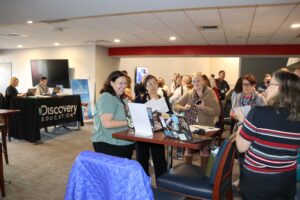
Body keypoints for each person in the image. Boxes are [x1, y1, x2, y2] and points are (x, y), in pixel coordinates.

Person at [236, 71, 300, 200]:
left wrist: (241, 122)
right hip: (287, 179)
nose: (267, 87)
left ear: (280, 88)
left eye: (271, 84)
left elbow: (241, 147)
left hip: (258, 180)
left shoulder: (259, 113)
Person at [173, 72, 220, 166]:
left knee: (205, 150)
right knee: (188, 149)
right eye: (194, 81)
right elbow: (174, 106)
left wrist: (203, 108)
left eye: (198, 80)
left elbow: (217, 111)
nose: (196, 83)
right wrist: (183, 108)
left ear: (203, 81)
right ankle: (187, 170)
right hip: (191, 127)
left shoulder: (210, 93)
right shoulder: (189, 93)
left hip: (205, 128)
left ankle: (204, 175)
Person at [134, 74, 170, 179]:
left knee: (159, 159)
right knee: (141, 159)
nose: (153, 85)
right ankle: (143, 184)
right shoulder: (139, 99)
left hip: (158, 133)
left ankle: (162, 183)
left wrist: (161, 117)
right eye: (150, 83)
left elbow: (169, 115)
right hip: (143, 133)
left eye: (155, 83)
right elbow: (134, 114)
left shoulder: (163, 100)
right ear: (145, 86)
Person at [92, 70, 134, 159]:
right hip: (109, 143)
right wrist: (129, 122)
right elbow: (107, 123)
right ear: (111, 83)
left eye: (125, 83)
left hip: (123, 141)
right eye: (120, 83)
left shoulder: (120, 98)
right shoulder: (106, 97)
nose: (123, 86)